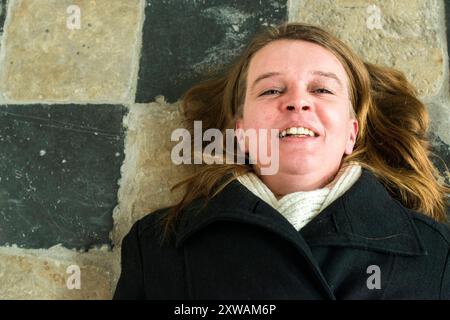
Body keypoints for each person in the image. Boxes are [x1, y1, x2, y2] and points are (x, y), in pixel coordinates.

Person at [113, 23, 450, 299]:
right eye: (271, 90)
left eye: (321, 90)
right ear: (241, 132)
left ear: (352, 133)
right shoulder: (157, 247)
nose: (297, 102)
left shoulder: (437, 254)